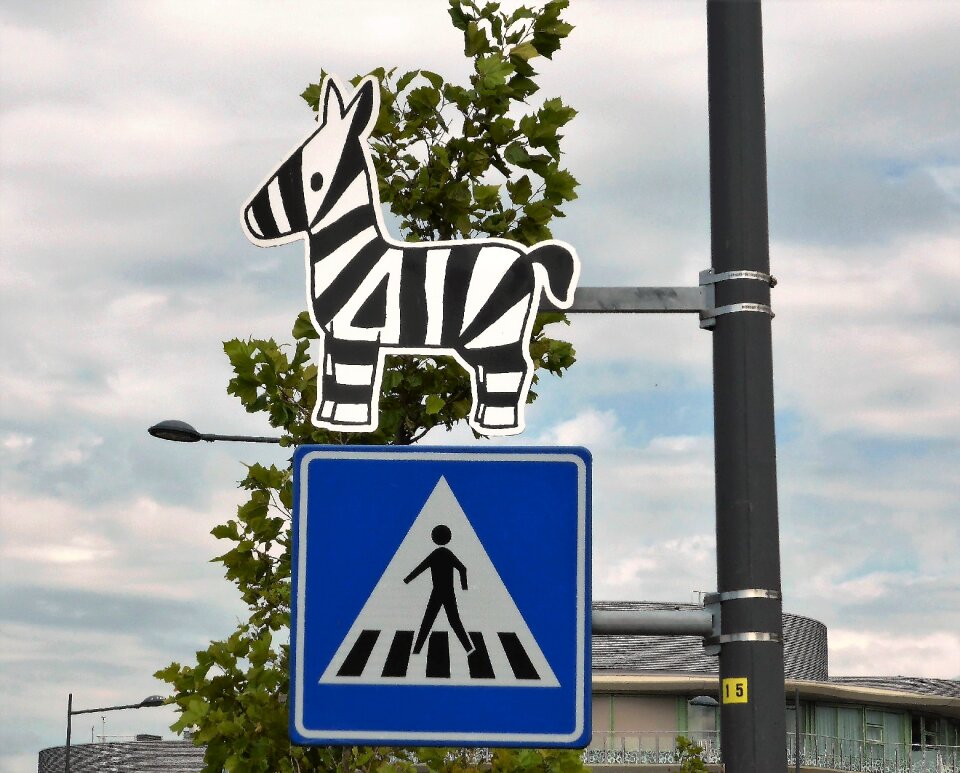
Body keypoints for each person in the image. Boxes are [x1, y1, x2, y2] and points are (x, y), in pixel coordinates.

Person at [403, 524, 474, 654]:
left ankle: (417, 650)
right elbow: (462, 569)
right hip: (448, 592)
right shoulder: (447, 554)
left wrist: (407, 580)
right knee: (454, 621)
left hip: (437, 592)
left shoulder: (436, 554)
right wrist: (464, 587)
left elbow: (420, 568)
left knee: (428, 621)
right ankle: (468, 648)